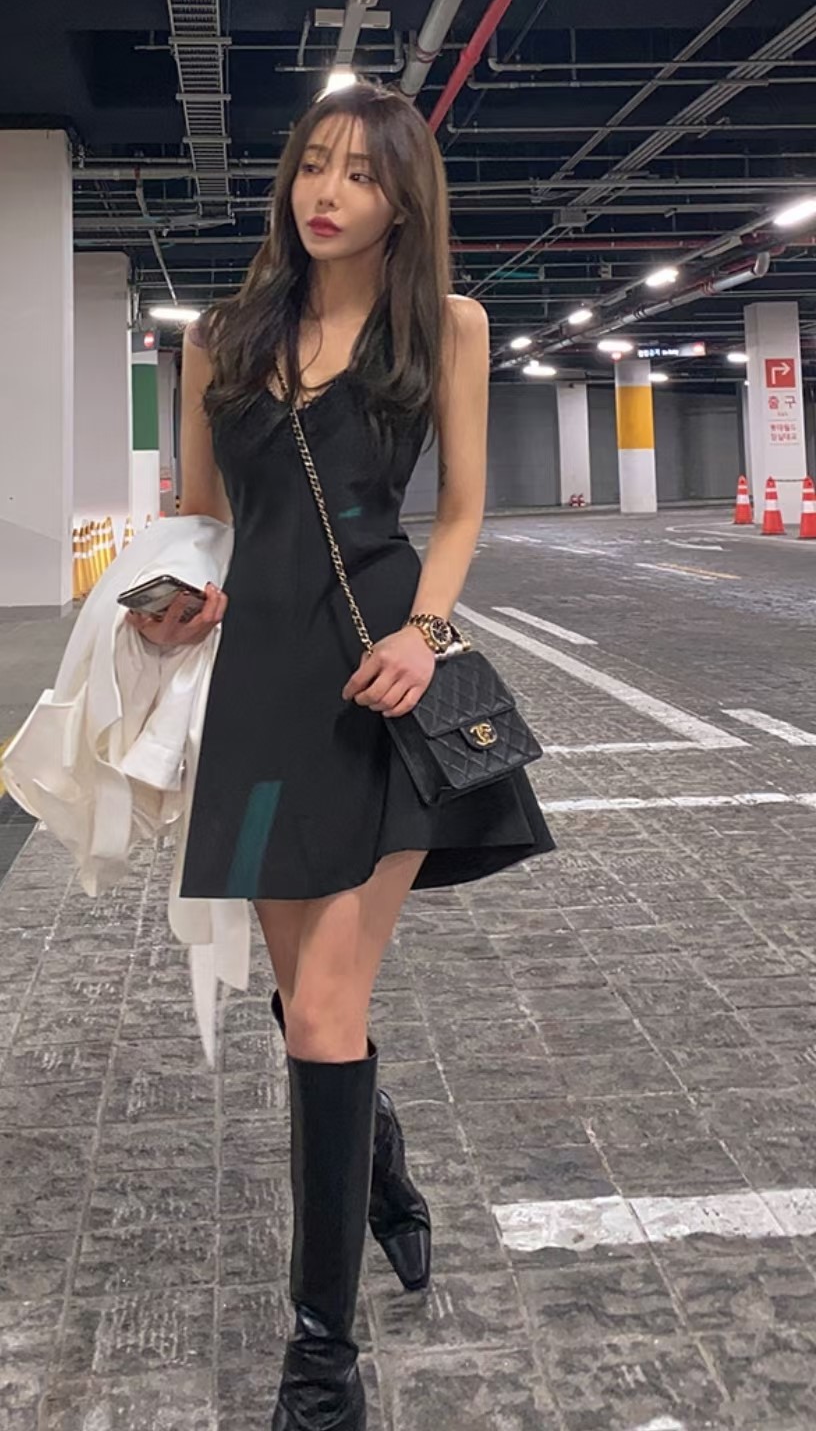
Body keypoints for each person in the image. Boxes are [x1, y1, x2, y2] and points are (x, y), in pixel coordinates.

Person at [126, 79, 554, 1430]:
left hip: (380, 683)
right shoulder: (221, 334)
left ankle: (321, 1368)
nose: (329, 192)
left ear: (402, 201)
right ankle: (375, 1158)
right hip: (256, 697)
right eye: (314, 165)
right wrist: (172, 603)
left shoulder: (448, 325)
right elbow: (203, 519)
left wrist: (430, 632)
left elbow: (465, 507)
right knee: (303, 999)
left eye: (362, 175)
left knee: (320, 1009)